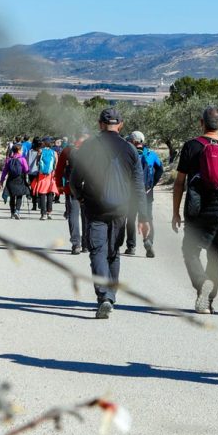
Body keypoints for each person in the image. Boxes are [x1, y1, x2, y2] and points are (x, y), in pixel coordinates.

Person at [70, 108, 150, 319]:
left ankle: (104, 295)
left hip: (94, 206)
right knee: (113, 252)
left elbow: (75, 179)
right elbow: (138, 186)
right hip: (121, 209)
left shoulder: (88, 146)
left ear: (99, 124)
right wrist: (143, 216)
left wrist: (80, 197)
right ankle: (110, 296)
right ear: (121, 125)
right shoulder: (130, 149)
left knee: (97, 251)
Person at [171, 106, 218, 314]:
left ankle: (202, 283)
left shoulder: (191, 146)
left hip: (195, 208)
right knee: (215, 254)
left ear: (201, 123)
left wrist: (175, 212)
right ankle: (209, 301)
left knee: (189, 251)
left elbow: (179, 183)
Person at [119, 131, 163, 258]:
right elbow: (160, 169)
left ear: (133, 141)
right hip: (146, 192)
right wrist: (151, 185)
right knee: (147, 217)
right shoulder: (151, 154)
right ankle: (148, 242)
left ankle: (131, 246)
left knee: (131, 218)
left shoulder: (127, 154)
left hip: (130, 192)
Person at [0, 144, 31, 219]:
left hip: (11, 179)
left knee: (12, 196)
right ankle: (17, 211)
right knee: (19, 195)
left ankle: (12, 213)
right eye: (22, 150)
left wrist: (2, 180)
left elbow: (4, 171)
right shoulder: (22, 159)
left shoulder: (9, 159)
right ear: (19, 151)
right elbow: (26, 170)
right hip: (20, 179)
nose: (22, 151)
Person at [31, 137, 59, 219]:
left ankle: (43, 214)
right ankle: (49, 212)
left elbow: (37, 163)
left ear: (44, 143)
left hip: (41, 176)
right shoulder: (54, 152)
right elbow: (55, 165)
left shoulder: (40, 151)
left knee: (42, 194)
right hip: (50, 176)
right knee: (50, 194)